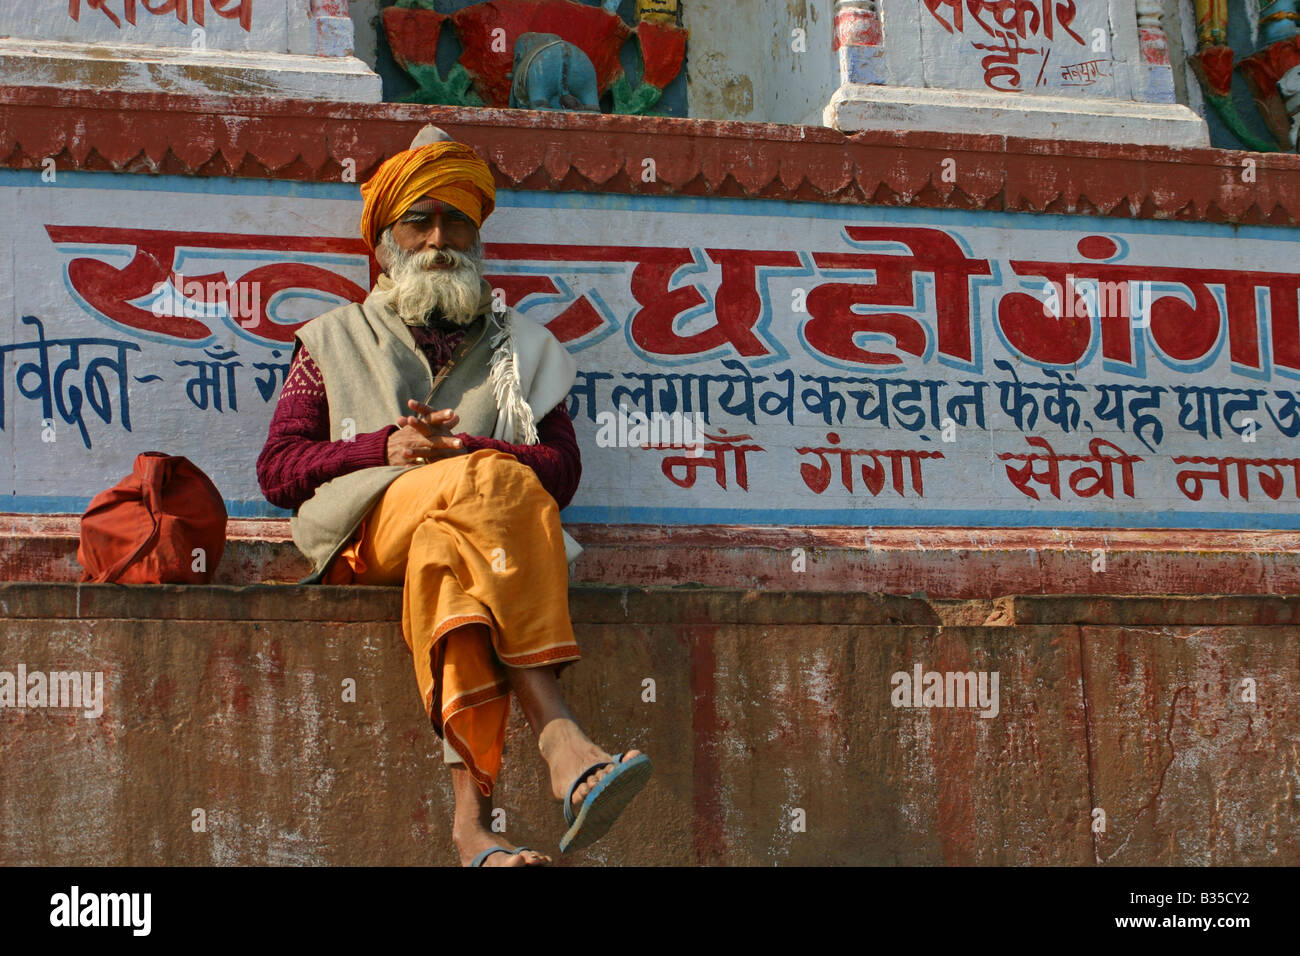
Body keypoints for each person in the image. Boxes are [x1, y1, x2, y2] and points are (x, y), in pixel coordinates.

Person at [256, 125, 651, 867]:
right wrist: (385, 448)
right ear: (387, 239)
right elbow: (278, 470)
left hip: (475, 541)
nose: (440, 237)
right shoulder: (331, 339)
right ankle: (559, 735)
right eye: (421, 219)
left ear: (477, 235)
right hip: (367, 532)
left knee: (451, 552)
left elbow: (561, 472)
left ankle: (474, 831)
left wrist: (467, 448)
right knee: (495, 481)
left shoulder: (523, 345)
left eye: (458, 221)